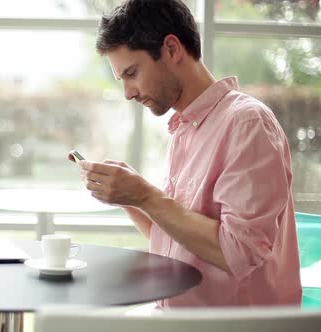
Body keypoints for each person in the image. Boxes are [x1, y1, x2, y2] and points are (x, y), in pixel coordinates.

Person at [69, 0, 301, 307]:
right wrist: (129, 198)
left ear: (172, 49)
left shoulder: (246, 123)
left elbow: (239, 253)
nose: (128, 93)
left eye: (132, 73)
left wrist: (144, 196)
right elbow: (176, 240)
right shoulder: (184, 129)